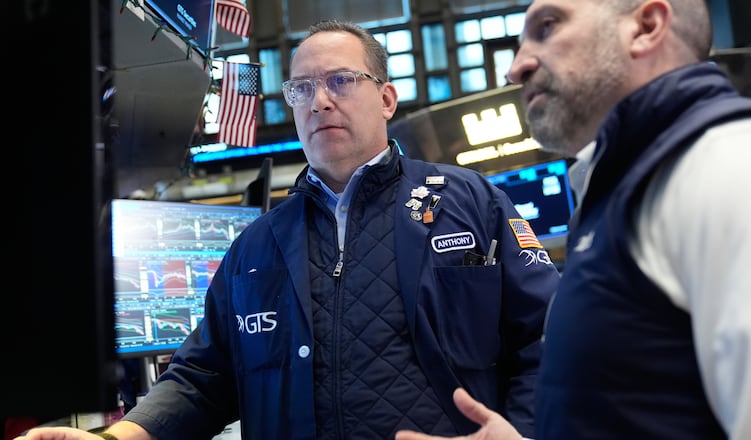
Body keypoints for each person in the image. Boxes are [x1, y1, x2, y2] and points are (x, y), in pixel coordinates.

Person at [17, 19, 560, 440]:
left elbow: (549, 337)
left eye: (342, 81)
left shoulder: (473, 201)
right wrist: (121, 434)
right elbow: (203, 378)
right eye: (301, 89)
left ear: (387, 98)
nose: (319, 100)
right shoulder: (256, 245)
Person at [395, 0, 751, 439]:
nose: (516, 67)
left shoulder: (739, 163)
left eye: (547, 26)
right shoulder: (625, 186)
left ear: (646, 26)